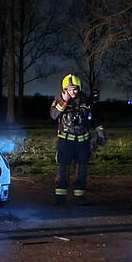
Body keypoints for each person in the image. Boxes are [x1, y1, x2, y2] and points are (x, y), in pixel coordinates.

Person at [50, 73, 93, 205]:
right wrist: (64, 101)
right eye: (69, 89)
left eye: (74, 89)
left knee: (81, 169)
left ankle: (79, 196)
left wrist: (100, 131)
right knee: (63, 168)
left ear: (79, 88)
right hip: (65, 141)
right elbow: (54, 115)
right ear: (64, 90)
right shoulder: (58, 100)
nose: (72, 92)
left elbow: (95, 118)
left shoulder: (86, 101)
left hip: (82, 141)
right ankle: (60, 196)